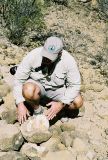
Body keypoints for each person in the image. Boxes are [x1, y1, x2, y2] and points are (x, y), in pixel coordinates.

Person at [13, 36, 83, 124]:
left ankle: (60, 111)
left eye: (51, 58)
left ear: (60, 53)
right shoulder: (33, 55)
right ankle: (37, 110)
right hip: (38, 86)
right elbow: (19, 80)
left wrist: (61, 104)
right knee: (28, 90)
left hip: (57, 90)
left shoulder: (69, 61)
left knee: (77, 101)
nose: (47, 59)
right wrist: (20, 104)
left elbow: (75, 85)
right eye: (45, 55)